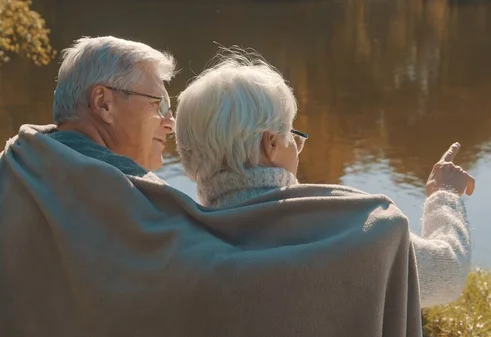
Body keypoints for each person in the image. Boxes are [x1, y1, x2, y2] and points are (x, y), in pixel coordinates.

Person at [0, 36, 423, 337]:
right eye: (158, 104)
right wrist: (374, 237)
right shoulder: (119, 196)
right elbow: (208, 281)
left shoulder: (20, 170)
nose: (169, 122)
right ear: (103, 103)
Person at [175, 49, 476, 308]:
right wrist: (444, 194)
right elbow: (447, 274)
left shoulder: (171, 241)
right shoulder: (356, 225)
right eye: (293, 134)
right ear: (271, 144)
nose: (298, 148)